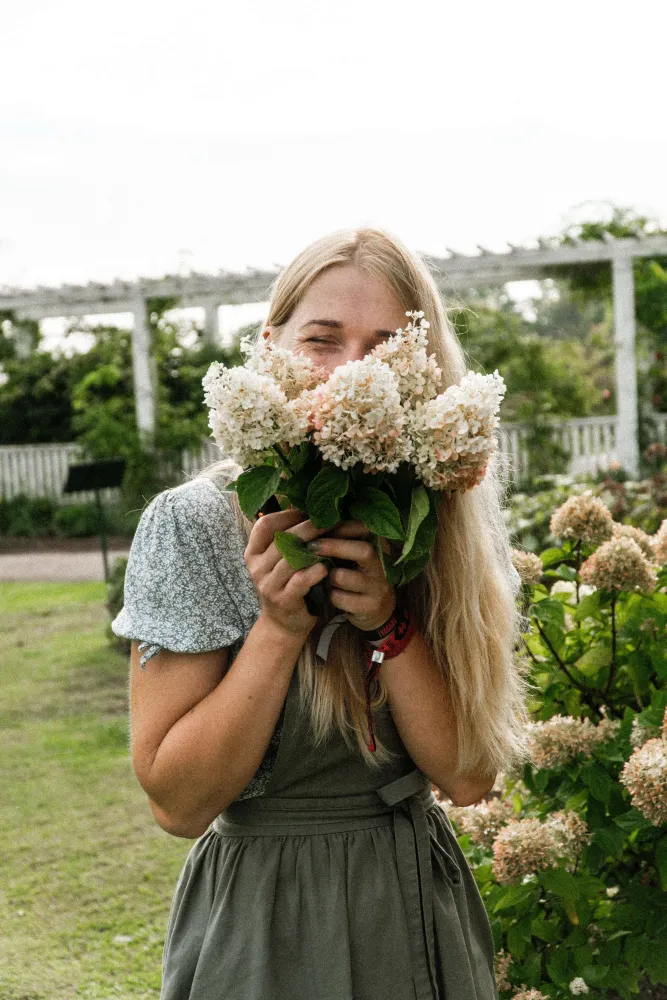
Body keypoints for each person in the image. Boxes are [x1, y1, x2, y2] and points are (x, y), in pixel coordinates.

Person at [112, 225, 532, 1000]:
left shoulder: (443, 525)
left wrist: (388, 623)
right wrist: (277, 629)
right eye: (322, 339)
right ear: (269, 346)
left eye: (384, 346)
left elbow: (470, 779)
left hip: (414, 907)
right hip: (267, 921)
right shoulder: (194, 523)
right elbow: (178, 802)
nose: (352, 373)